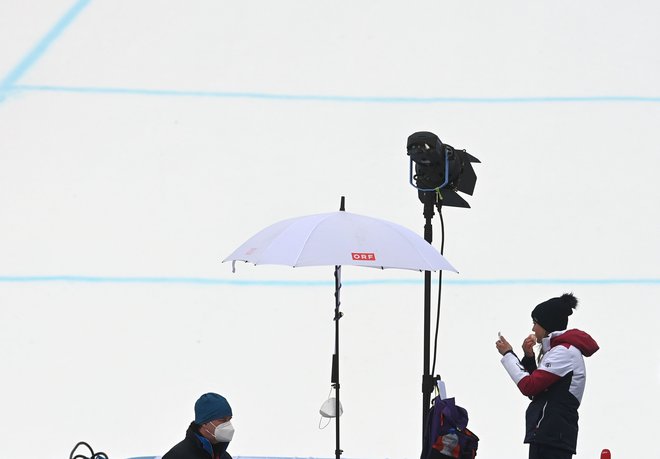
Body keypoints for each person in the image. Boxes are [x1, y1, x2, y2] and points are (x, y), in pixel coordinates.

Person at [495, 293, 599, 459]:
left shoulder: (564, 352)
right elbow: (536, 393)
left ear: (547, 325)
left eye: (535, 323)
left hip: (553, 438)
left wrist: (508, 354)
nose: (533, 329)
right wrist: (529, 358)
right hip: (548, 437)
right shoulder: (557, 351)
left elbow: (528, 386)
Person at [163, 392, 235, 459]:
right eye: (222, 420)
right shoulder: (177, 456)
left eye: (229, 419)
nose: (227, 424)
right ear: (204, 422)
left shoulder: (225, 457)